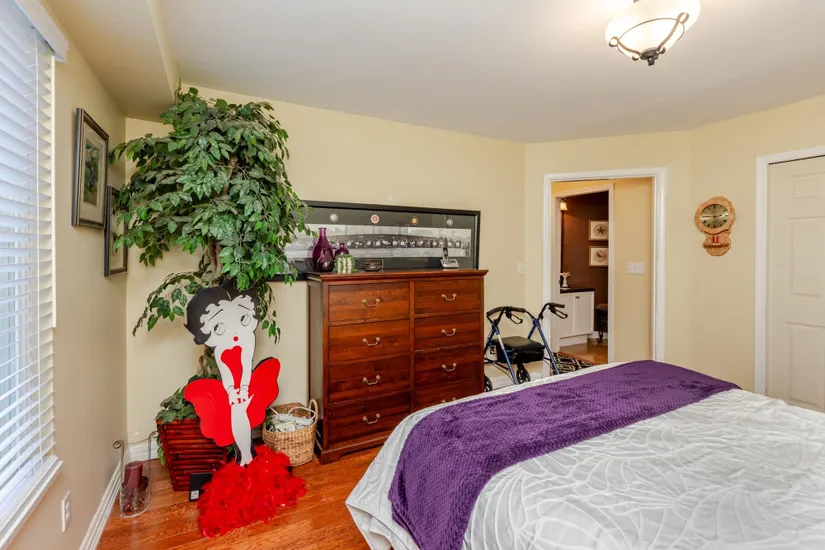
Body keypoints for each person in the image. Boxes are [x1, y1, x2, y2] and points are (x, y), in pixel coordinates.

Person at [183, 285, 280, 466]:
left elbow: (246, 363)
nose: (233, 332)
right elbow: (226, 373)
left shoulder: (247, 338)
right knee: (233, 410)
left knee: (239, 410)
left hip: (249, 382)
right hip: (230, 388)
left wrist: (243, 389)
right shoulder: (220, 349)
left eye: (243, 318)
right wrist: (231, 392)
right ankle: (244, 456)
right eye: (219, 327)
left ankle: (246, 456)